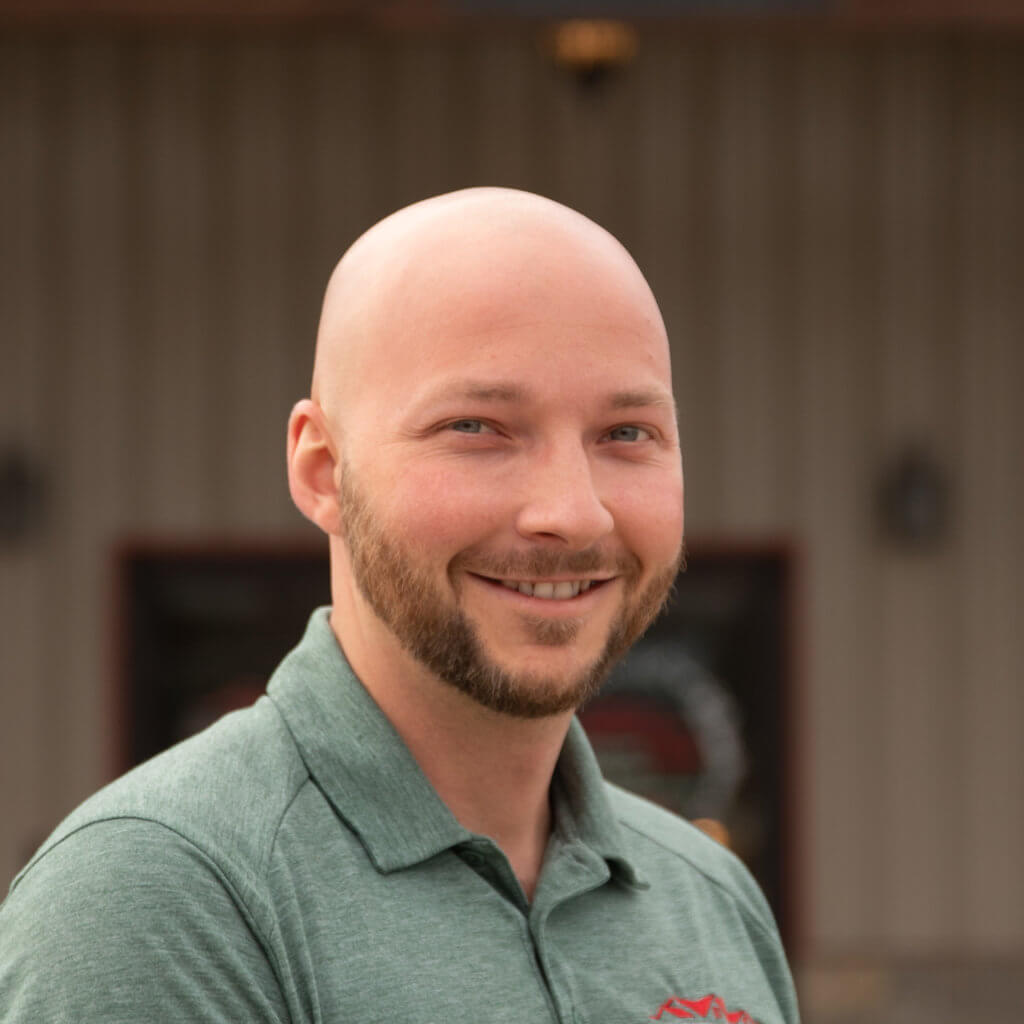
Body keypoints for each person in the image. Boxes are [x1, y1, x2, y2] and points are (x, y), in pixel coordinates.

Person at [0, 188, 799, 1023]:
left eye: (627, 433)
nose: (572, 511)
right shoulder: (156, 897)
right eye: (477, 427)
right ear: (322, 471)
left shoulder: (711, 898)